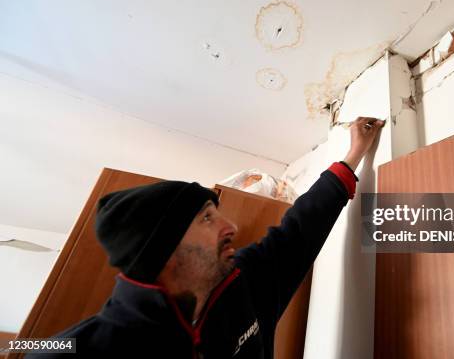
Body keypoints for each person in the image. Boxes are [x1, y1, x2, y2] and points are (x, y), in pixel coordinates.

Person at [30, 117, 384, 358]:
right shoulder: (74, 350)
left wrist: (353, 155)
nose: (229, 226)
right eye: (206, 218)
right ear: (164, 249)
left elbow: (300, 230)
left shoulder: (243, 284)